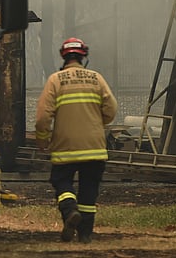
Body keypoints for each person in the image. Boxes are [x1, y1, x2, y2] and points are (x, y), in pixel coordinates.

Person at [35, 37, 118, 244]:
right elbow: (111, 110)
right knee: (89, 191)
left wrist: (43, 139)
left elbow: (43, 116)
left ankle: (70, 210)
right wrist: (98, 123)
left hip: (65, 148)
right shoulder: (96, 79)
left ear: (63, 56)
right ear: (83, 57)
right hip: (95, 149)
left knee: (61, 182)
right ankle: (85, 234)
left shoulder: (56, 80)